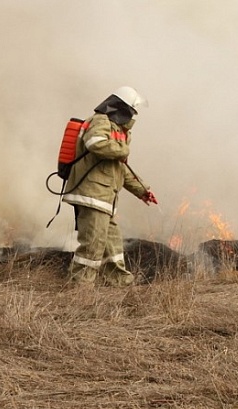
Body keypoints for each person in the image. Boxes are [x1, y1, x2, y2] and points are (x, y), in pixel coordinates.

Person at [61, 86, 158, 287]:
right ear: (121, 107)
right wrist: (123, 149)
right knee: (93, 245)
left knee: (112, 244)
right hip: (92, 194)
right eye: (133, 110)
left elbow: (121, 169)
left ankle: (120, 281)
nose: (134, 116)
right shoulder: (100, 121)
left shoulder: (119, 132)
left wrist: (143, 190)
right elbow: (95, 143)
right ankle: (80, 286)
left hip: (105, 198)